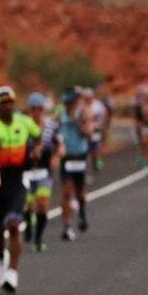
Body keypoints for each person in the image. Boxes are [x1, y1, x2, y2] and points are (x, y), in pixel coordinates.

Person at [0, 86, 40, 294]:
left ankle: (13, 272)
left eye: (10, 102)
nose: (8, 106)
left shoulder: (24, 122)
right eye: (3, 102)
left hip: (16, 179)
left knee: (13, 223)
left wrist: (36, 151)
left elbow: (38, 136)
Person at [22, 94, 60, 253]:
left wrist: (56, 157)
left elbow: (59, 144)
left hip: (44, 171)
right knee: (28, 205)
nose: (36, 112)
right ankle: (28, 224)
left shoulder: (51, 125)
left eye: (39, 109)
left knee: (43, 204)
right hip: (26, 171)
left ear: (43, 110)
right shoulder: (23, 125)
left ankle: (38, 239)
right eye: (33, 109)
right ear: (29, 110)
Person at [57, 89, 94, 240]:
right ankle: (67, 226)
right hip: (67, 158)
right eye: (66, 104)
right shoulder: (60, 115)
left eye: (70, 103)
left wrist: (78, 122)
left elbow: (89, 133)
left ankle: (82, 213)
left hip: (80, 156)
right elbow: (54, 131)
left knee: (80, 193)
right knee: (66, 193)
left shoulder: (83, 113)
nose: (67, 106)